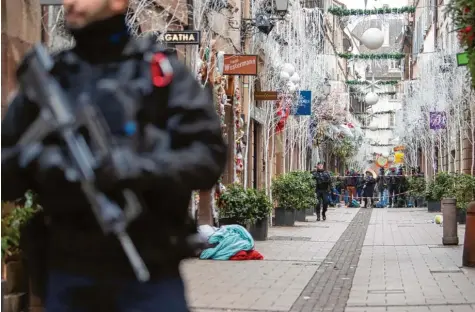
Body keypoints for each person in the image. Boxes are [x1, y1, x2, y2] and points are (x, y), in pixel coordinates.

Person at [1, 0, 227, 310]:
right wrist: (39, 162)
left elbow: (208, 159)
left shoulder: (160, 75)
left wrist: (137, 168)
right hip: (70, 274)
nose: (71, 2)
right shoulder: (52, 78)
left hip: (149, 276)